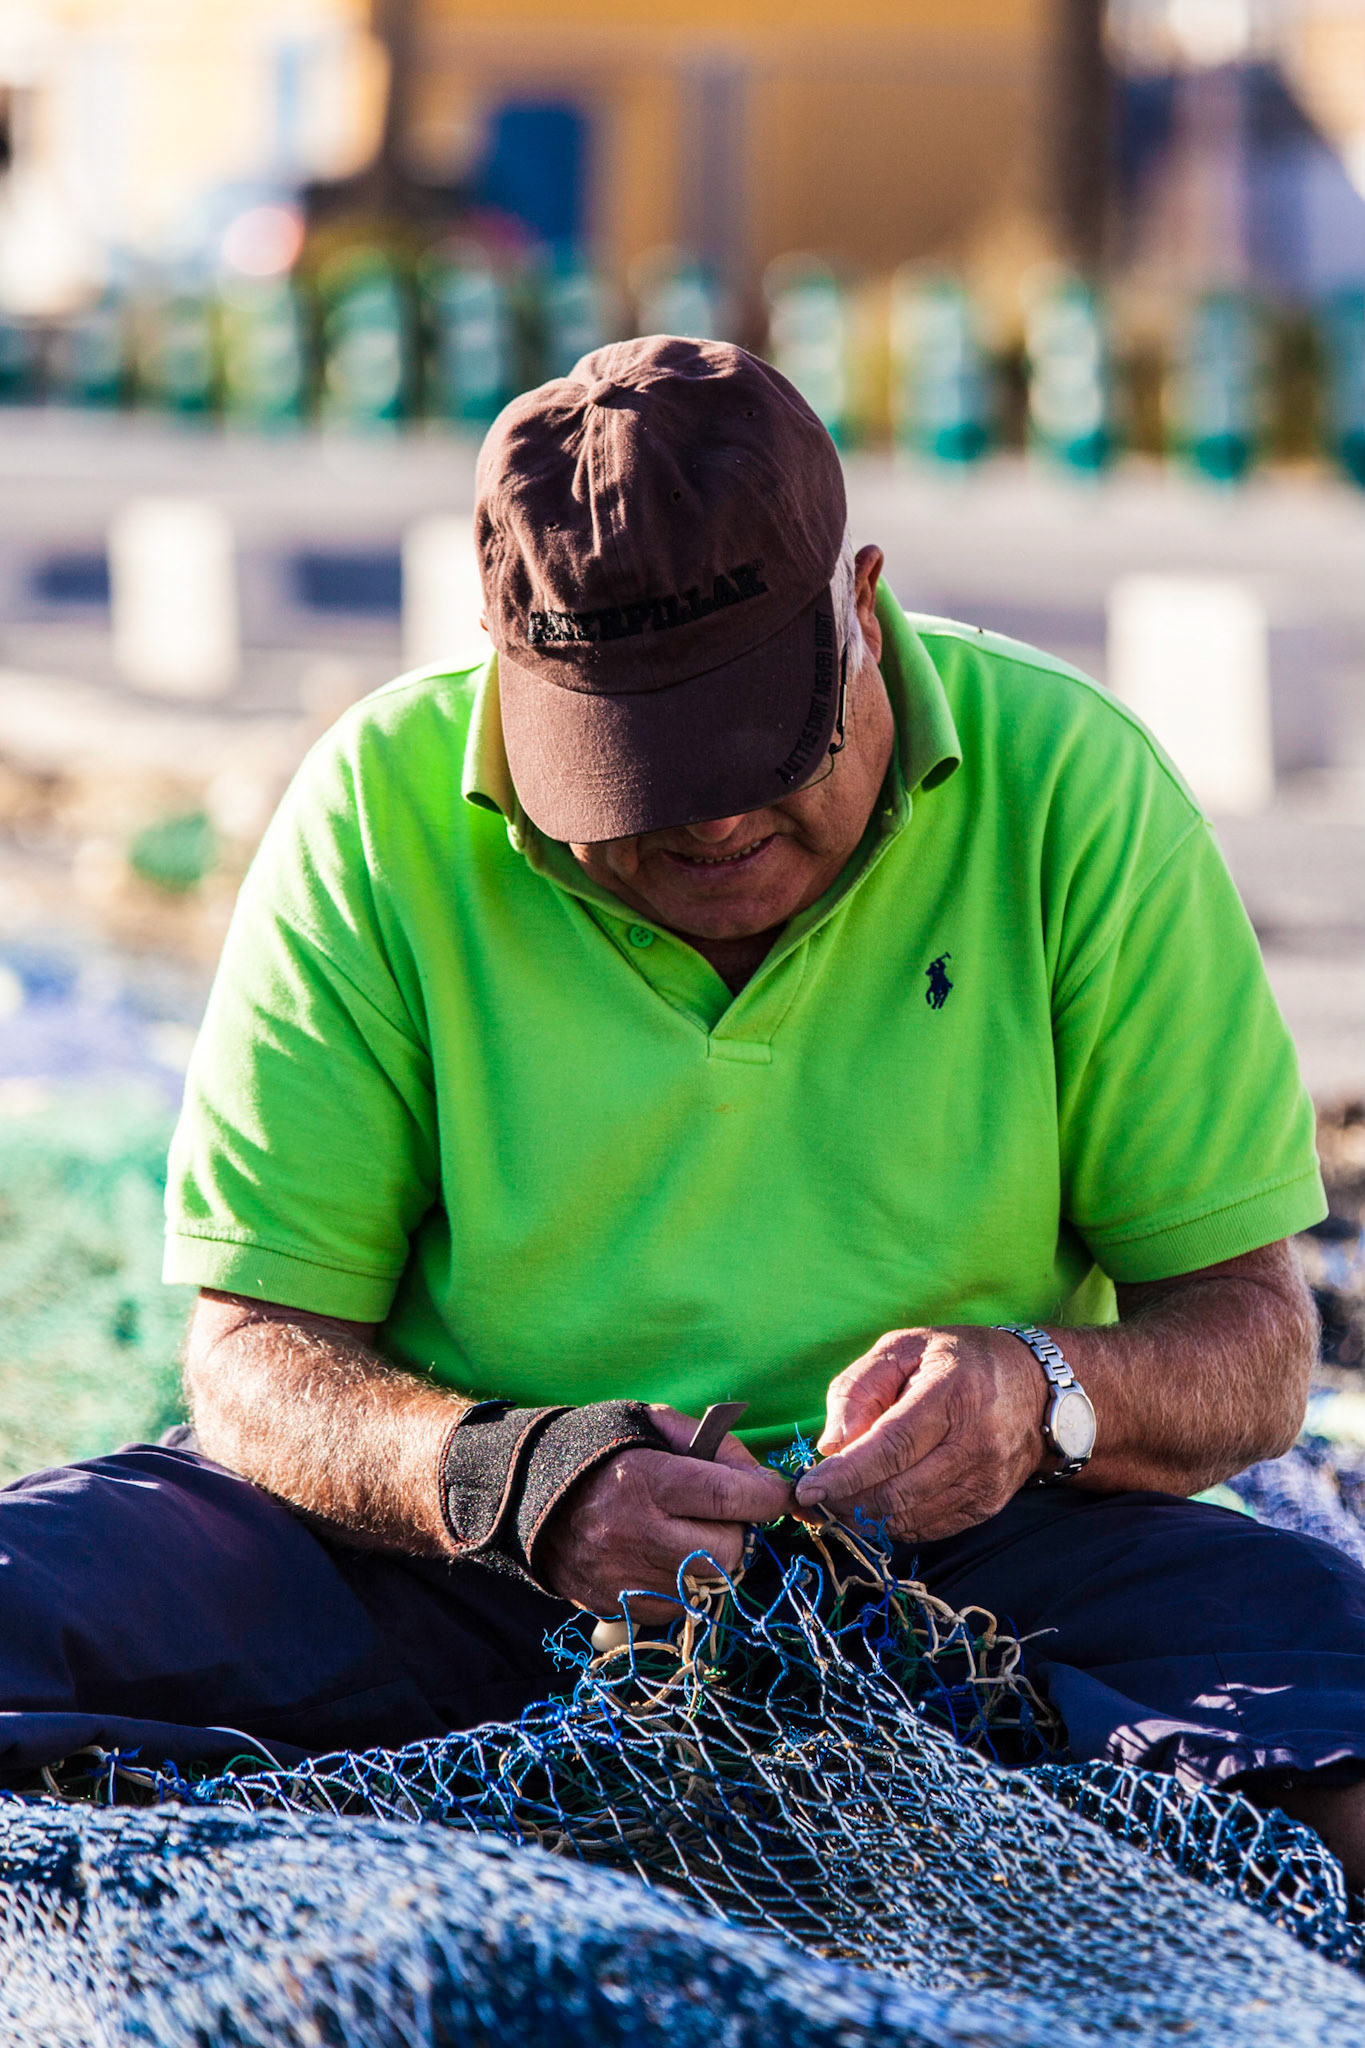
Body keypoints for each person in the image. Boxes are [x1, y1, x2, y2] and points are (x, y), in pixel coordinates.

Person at [0, 337, 1361, 1892]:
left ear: (861, 612)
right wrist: (515, 1481)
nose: (712, 820)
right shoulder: (376, 808)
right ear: (517, 686)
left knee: (1336, 1724)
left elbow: (1255, 1344)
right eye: (636, 776)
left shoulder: (1072, 786)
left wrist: (1035, 1392)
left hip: (991, 1559)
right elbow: (250, 1365)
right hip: (457, 1559)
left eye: (756, 747)